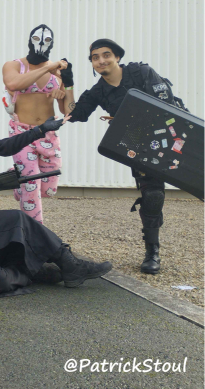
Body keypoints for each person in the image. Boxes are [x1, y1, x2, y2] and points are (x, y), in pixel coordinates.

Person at [67, 39, 185, 274]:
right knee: (152, 195)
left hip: (169, 134)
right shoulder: (98, 91)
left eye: (106, 55)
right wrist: (67, 83)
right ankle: (152, 252)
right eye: (95, 57)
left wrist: (125, 118)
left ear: (117, 57)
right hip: (138, 143)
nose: (101, 60)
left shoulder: (141, 72)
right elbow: (76, 114)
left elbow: (165, 103)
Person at [1, 24, 74, 223]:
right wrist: (48, 68)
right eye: (37, 39)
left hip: (48, 133)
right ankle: (35, 231)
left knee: (48, 189)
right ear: (29, 40)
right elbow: (13, 84)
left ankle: (17, 179)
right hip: (22, 132)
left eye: (47, 41)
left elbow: (67, 110)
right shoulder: (15, 65)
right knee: (31, 185)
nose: (41, 44)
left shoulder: (57, 71)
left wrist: (67, 87)